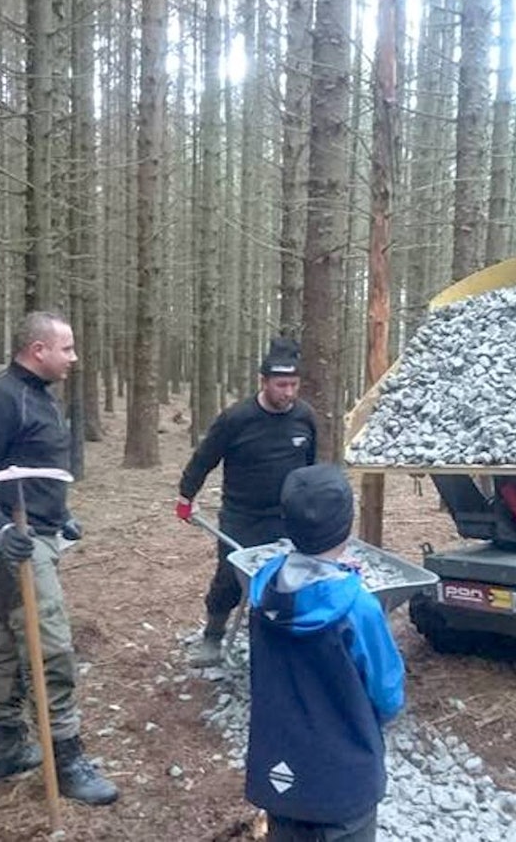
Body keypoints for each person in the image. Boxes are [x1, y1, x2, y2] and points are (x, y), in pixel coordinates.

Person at [0, 310, 117, 806]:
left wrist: (58, 514)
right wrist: (1, 531)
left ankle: (3, 746)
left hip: (38, 534)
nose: (74, 358)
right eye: (66, 348)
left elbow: (32, 470)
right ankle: (65, 757)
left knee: (9, 640)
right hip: (8, 547)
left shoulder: (40, 398)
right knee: (51, 646)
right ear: (38, 350)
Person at [244, 464, 405, 842]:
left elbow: (300, 586)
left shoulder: (261, 588)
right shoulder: (358, 608)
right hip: (343, 783)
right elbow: (388, 695)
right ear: (347, 524)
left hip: (281, 772)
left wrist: (334, 573)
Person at [175, 337, 318, 666]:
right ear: (264, 381)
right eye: (281, 385)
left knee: (288, 579)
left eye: (294, 385)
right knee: (229, 577)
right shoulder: (237, 419)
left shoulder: (305, 418)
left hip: (287, 517)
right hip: (242, 517)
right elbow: (204, 458)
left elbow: (310, 467)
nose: (288, 393)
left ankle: (279, 639)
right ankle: (213, 636)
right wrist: (186, 495)